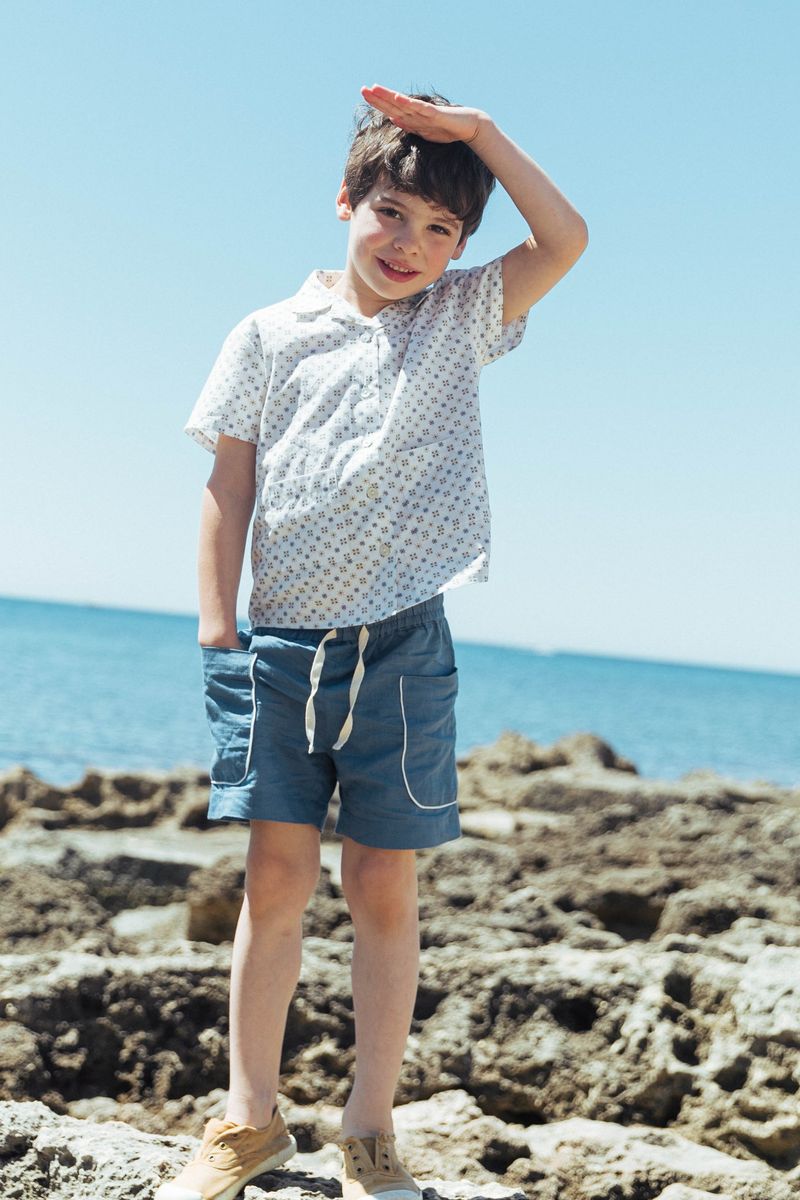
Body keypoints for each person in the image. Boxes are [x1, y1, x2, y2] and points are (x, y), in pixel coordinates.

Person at [155, 84, 587, 1200]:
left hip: (402, 642)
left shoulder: (460, 320)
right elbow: (227, 482)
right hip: (282, 645)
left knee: (381, 882)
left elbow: (566, 237)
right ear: (345, 200)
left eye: (441, 230)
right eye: (392, 212)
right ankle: (249, 1118)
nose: (411, 245)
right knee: (274, 878)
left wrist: (479, 137)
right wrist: (218, 629)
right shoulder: (267, 334)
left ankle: (367, 1126)